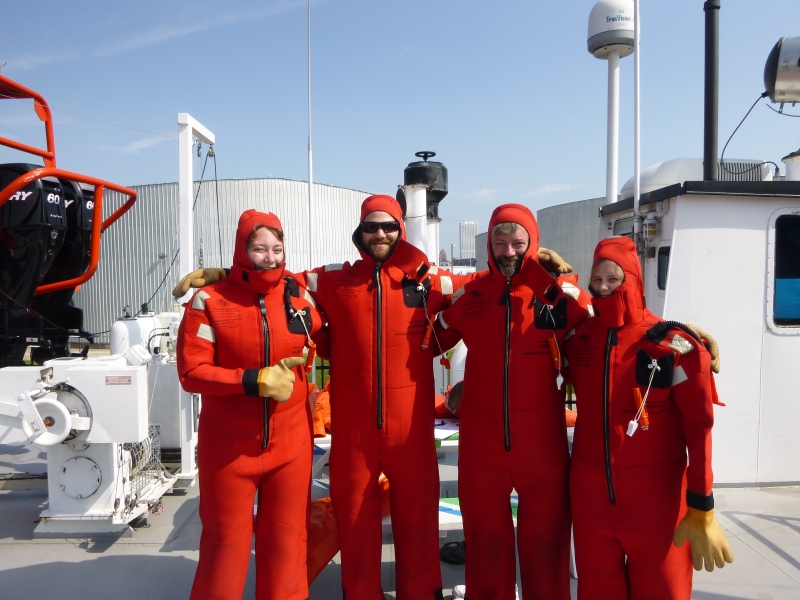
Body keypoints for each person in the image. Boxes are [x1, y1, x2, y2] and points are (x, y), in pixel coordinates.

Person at [172, 195, 572, 599]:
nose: (380, 234)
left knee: (416, 528)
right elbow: (274, 276)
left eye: (389, 227)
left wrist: (537, 267)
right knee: (356, 529)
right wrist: (225, 273)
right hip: (355, 435)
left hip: (410, 434)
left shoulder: (429, 280)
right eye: (371, 227)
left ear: (401, 230)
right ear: (359, 232)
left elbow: (491, 281)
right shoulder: (330, 280)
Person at [564, 235, 733, 600]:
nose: (604, 287)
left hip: (656, 504)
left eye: (614, 278)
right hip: (591, 499)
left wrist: (702, 505)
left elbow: (699, 428)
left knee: (662, 592)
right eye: (597, 279)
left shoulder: (675, 346)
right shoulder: (577, 340)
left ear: (634, 280)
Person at [434, 204, 589, 600]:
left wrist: (558, 276)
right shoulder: (473, 292)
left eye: (518, 243)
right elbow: (431, 340)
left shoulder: (556, 294)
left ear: (533, 244)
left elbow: (595, 319)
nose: (508, 251)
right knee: (485, 540)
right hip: (482, 443)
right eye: (499, 243)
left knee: (546, 541)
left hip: (542, 443)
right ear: (487, 244)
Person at [177, 209, 327, 600]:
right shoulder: (209, 301)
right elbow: (191, 371)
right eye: (259, 249)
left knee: (287, 542)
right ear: (242, 251)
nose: (271, 258)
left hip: (291, 444)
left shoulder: (300, 292)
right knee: (226, 545)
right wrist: (253, 379)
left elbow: (345, 285)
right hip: (229, 447)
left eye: (277, 248)